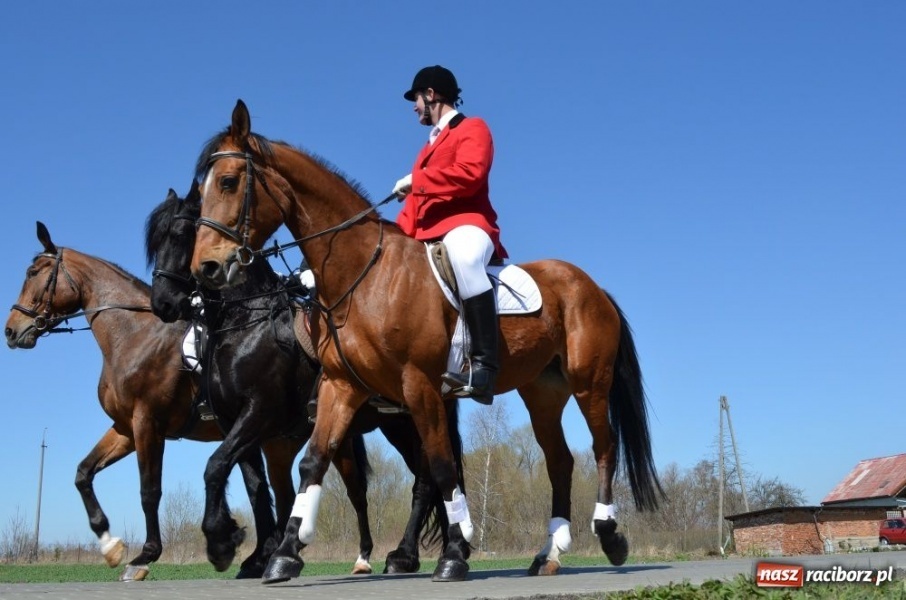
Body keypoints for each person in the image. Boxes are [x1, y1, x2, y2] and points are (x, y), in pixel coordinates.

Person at [392, 65, 507, 405]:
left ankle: (484, 366)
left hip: (468, 225)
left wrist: (419, 181)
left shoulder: (472, 128)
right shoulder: (426, 149)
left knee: (464, 256)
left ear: (430, 95)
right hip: (426, 236)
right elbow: (413, 210)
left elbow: (470, 174)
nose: (413, 107)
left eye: (415, 99)